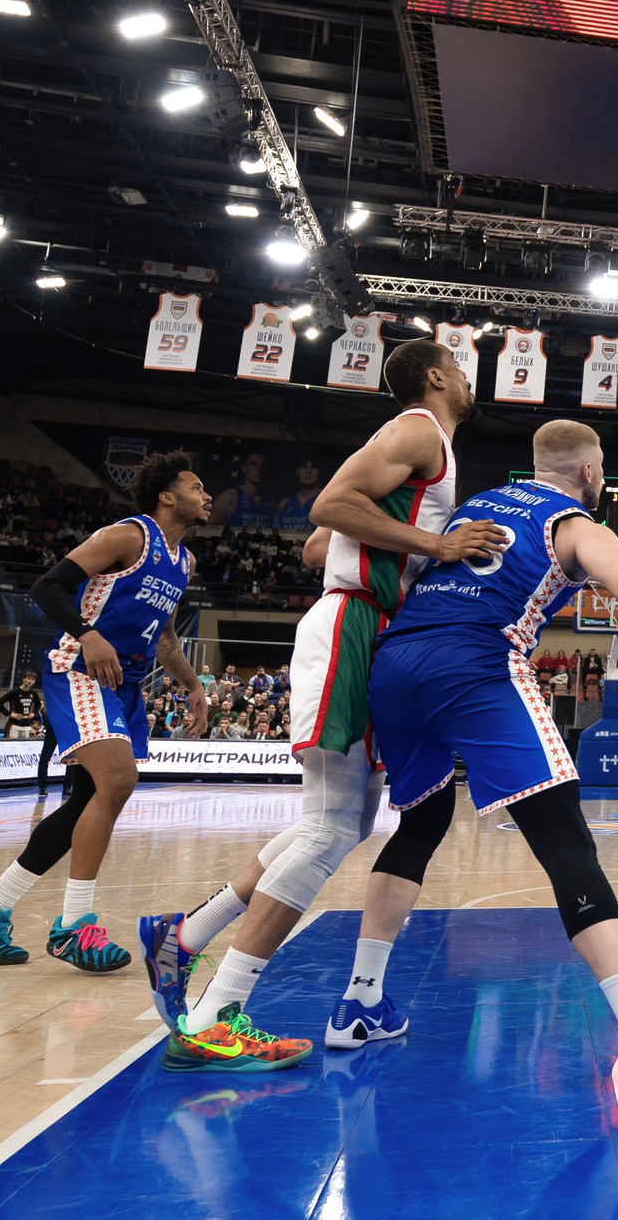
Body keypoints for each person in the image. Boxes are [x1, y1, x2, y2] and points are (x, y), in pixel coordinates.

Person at [140, 340, 505, 1073]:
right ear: (435, 376)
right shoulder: (417, 429)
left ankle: (184, 935)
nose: (468, 380)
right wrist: (435, 543)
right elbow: (328, 506)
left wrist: (410, 544)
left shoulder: (420, 449)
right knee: (333, 828)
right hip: (352, 625)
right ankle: (214, 1012)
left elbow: (316, 544)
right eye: (459, 368)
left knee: (339, 821)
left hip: (361, 623)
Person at [357, 417, 618, 1091]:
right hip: (474, 663)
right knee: (566, 839)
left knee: (420, 823)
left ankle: (360, 1002)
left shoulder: (476, 505)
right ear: (590, 473)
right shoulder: (576, 526)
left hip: (393, 664)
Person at [0, 452, 211, 975]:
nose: (206, 496)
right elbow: (46, 586)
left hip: (127, 684)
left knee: (87, 803)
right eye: (197, 486)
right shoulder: (128, 536)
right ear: (167, 496)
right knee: (118, 781)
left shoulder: (184, 561)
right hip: (80, 671)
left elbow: (164, 634)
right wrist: (88, 635)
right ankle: (74, 926)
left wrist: (191, 686)